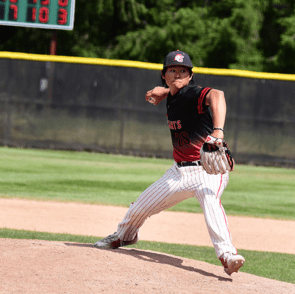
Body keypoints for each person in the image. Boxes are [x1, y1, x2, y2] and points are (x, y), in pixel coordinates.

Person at [94, 50, 245, 276]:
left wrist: (218, 132)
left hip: (207, 169)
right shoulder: (174, 94)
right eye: (172, 70)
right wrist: (165, 92)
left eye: (183, 70)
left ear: (191, 75)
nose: (177, 74)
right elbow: (176, 91)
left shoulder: (192, 93)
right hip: (179, 173)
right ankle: (124, 236)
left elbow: (218, 95)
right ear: (163, 75)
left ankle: (227, 255)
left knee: (210, 199)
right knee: (139, 208)